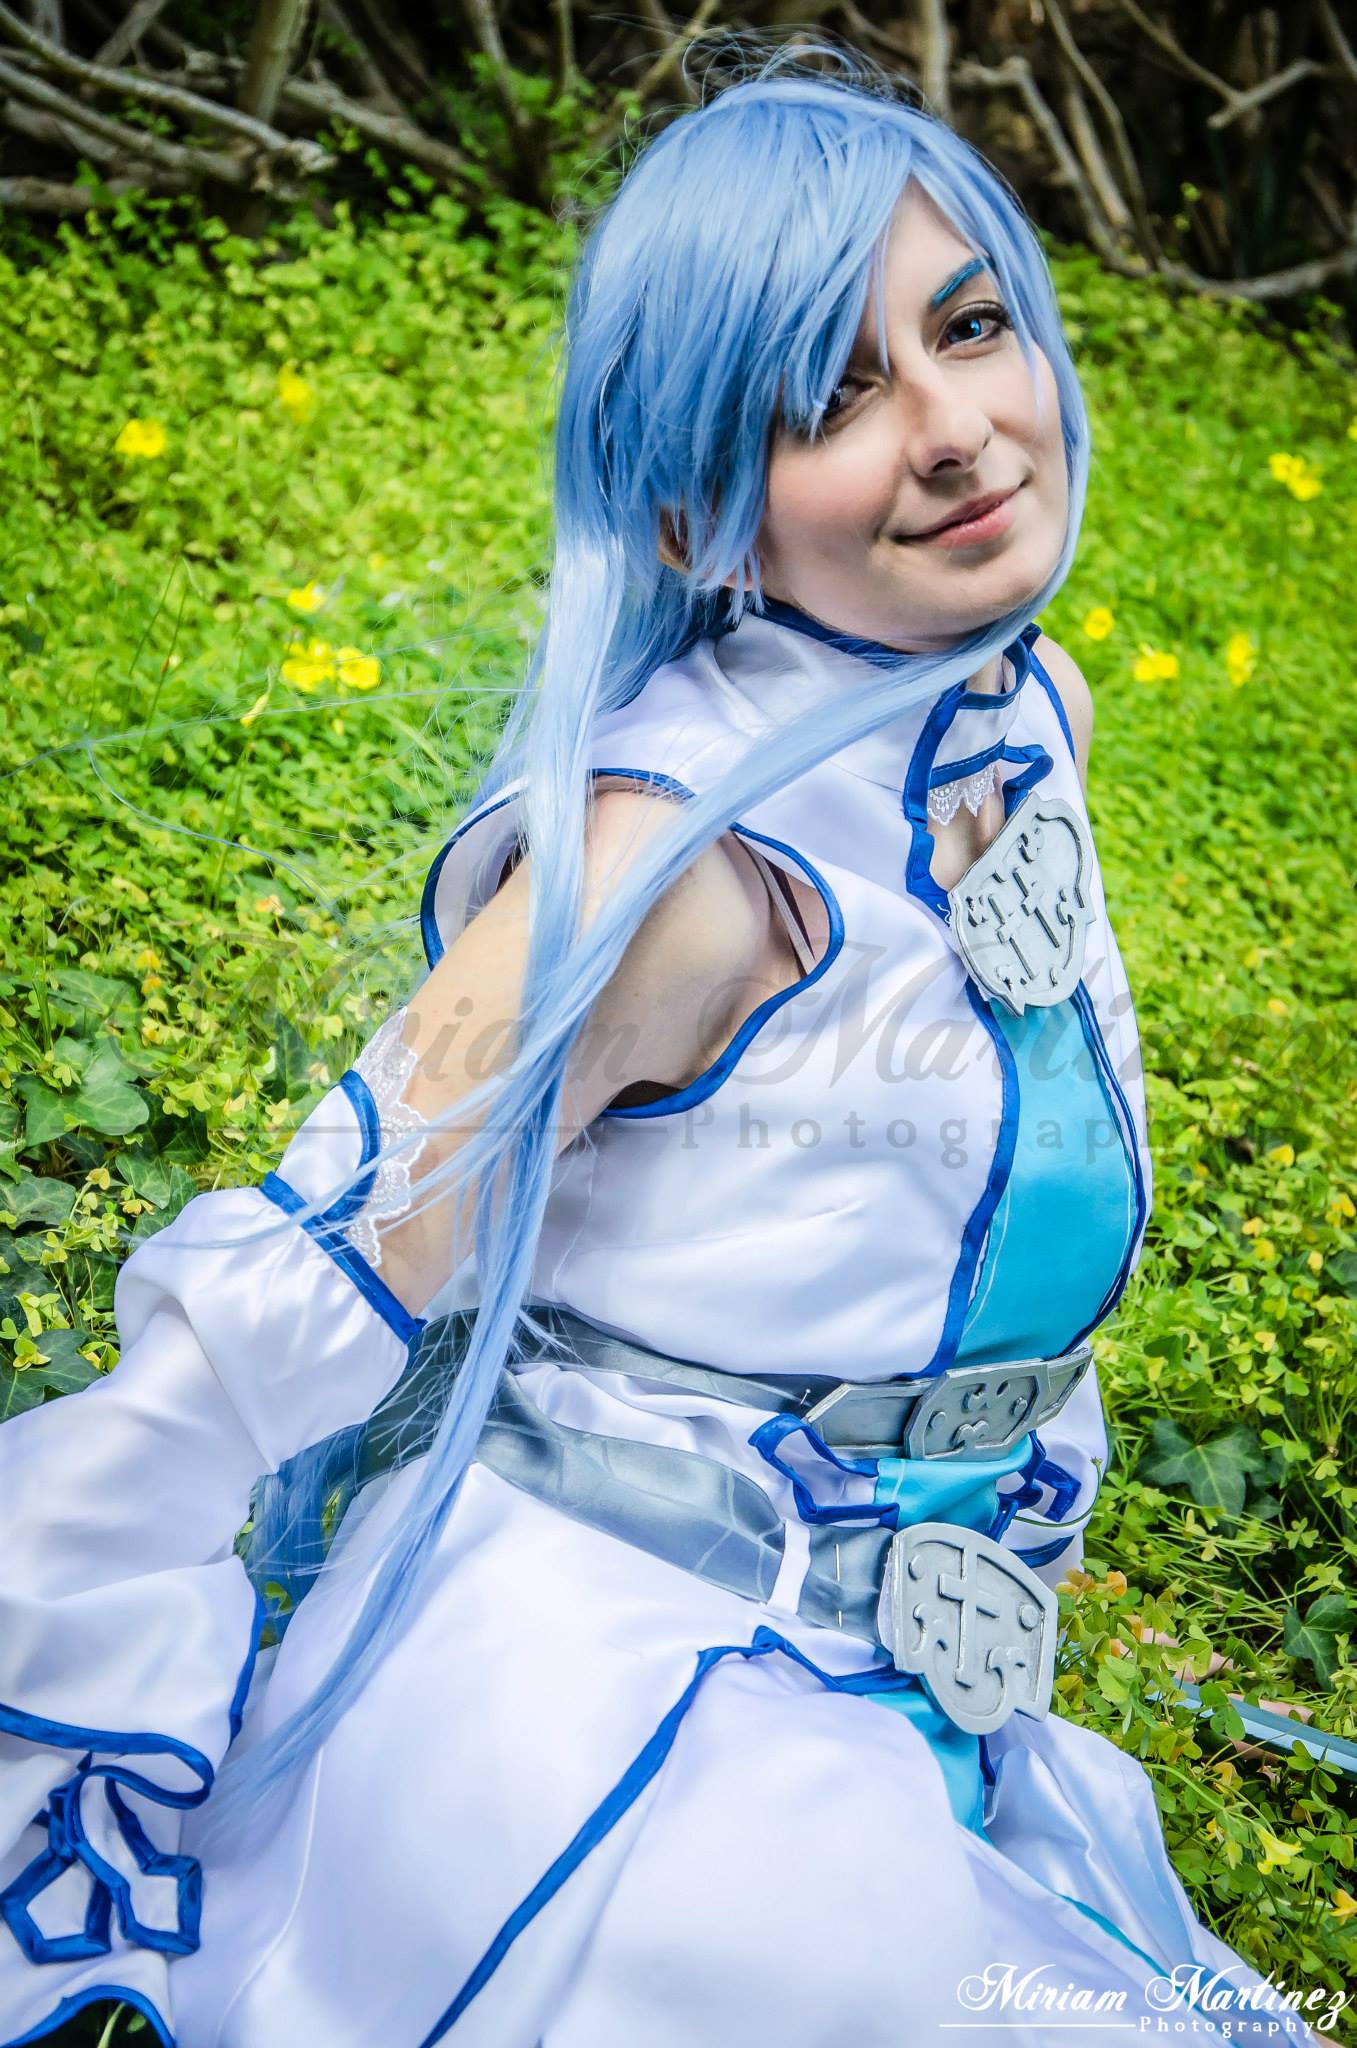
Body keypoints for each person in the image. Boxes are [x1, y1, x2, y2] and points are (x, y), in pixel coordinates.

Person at [0, 49, 1328, 2048]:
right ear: (698, 511)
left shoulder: (1009, 697)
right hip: (622, 1723)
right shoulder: (674, 871)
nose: (955, 431)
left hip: (889, 1692)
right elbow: (312, 1265)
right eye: (831, 398)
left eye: (968, 326)